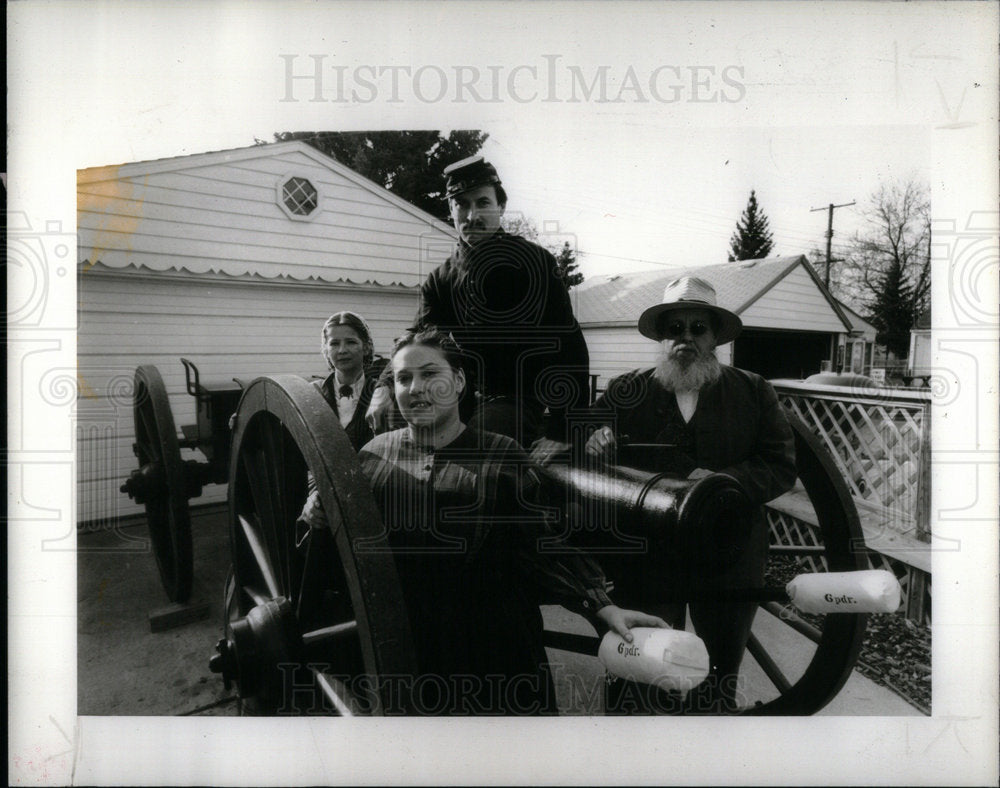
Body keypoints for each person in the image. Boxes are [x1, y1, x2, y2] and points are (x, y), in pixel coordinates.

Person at [358, 328, 667, 715]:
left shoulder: (503, 454)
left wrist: (602, 606)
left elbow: (543, 544)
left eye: (430, 374)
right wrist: (315, 506)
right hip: (410, 646)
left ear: (458, 381)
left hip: (496, 648)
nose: (416, 388)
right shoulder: (372, 456)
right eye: (404, 378)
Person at [584, 276, 797, 712]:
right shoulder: (626, 390)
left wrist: (724, 482)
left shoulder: (753, 390)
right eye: (673, 328)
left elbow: (780, 466)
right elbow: (583, 447)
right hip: (647, 555)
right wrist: (594, 439)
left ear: (715, 337)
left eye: (697, 328)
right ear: (661, 337)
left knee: (718, 673)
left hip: (728, 555)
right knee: (638, 668)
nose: (685, 338)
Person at [367, 155, 591, 447]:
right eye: (461, 204)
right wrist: (383, 387)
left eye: (482, 203)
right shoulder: (441, 278)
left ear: (501, 207)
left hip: (517, 401)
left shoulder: (535, 263)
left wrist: (563, 432)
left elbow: (569, 345)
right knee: (387, 422)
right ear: (450, 210)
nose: (472, 215)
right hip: (455, 396)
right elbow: (416, 341)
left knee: (476, 443)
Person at [313, 311, 389, 451]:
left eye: (351, 342)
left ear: (366, 347)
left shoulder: (380, 394)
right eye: (334, 344)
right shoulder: (312, 394)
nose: (342, 350)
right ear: (326, 350)